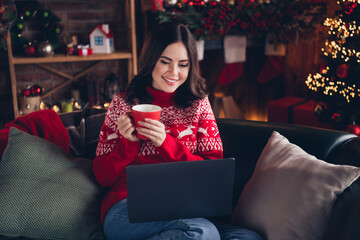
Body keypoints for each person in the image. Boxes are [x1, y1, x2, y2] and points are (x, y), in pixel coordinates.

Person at [93, 22, 263, 240]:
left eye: (183, 64)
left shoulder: (199, 105)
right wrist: (128, 144)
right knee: (202, 232)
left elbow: (212, 176)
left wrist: (165, 142)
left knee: (248, 238)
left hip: (186, 210)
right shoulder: (123, 104)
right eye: (165, 62)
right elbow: (102, 177)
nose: (174, 72)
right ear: (150, 60)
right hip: (127, 210)